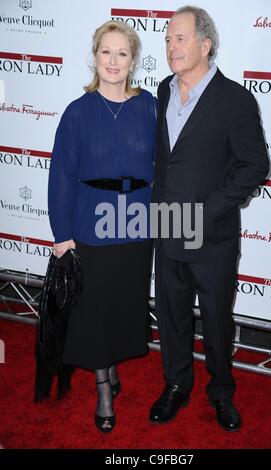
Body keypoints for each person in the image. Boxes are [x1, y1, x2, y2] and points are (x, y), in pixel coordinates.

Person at [150, 6, 269, 432]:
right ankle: (176, 385)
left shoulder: (235, 99)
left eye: (180, 38)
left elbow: (254, 167)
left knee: (217, 323)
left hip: (212, 236)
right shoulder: (162, 90)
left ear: (205, 44)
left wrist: (209, 210)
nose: (171, 47)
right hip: (166, 226)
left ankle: (221, 393)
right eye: (166, 39)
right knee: (171, 316)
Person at [48, 20, 156, 433]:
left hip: (136, 226)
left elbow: (162, 168)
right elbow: (61, 175)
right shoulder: (78, 112)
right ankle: (104, 387)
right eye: (106, 52)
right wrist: (62, 235)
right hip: (89, 226)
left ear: (133, 60)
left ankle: (110, 366)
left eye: (122, 53)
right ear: (95, 56)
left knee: (123, 306)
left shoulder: (149, 106)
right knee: (93, 311)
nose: (113, 61)